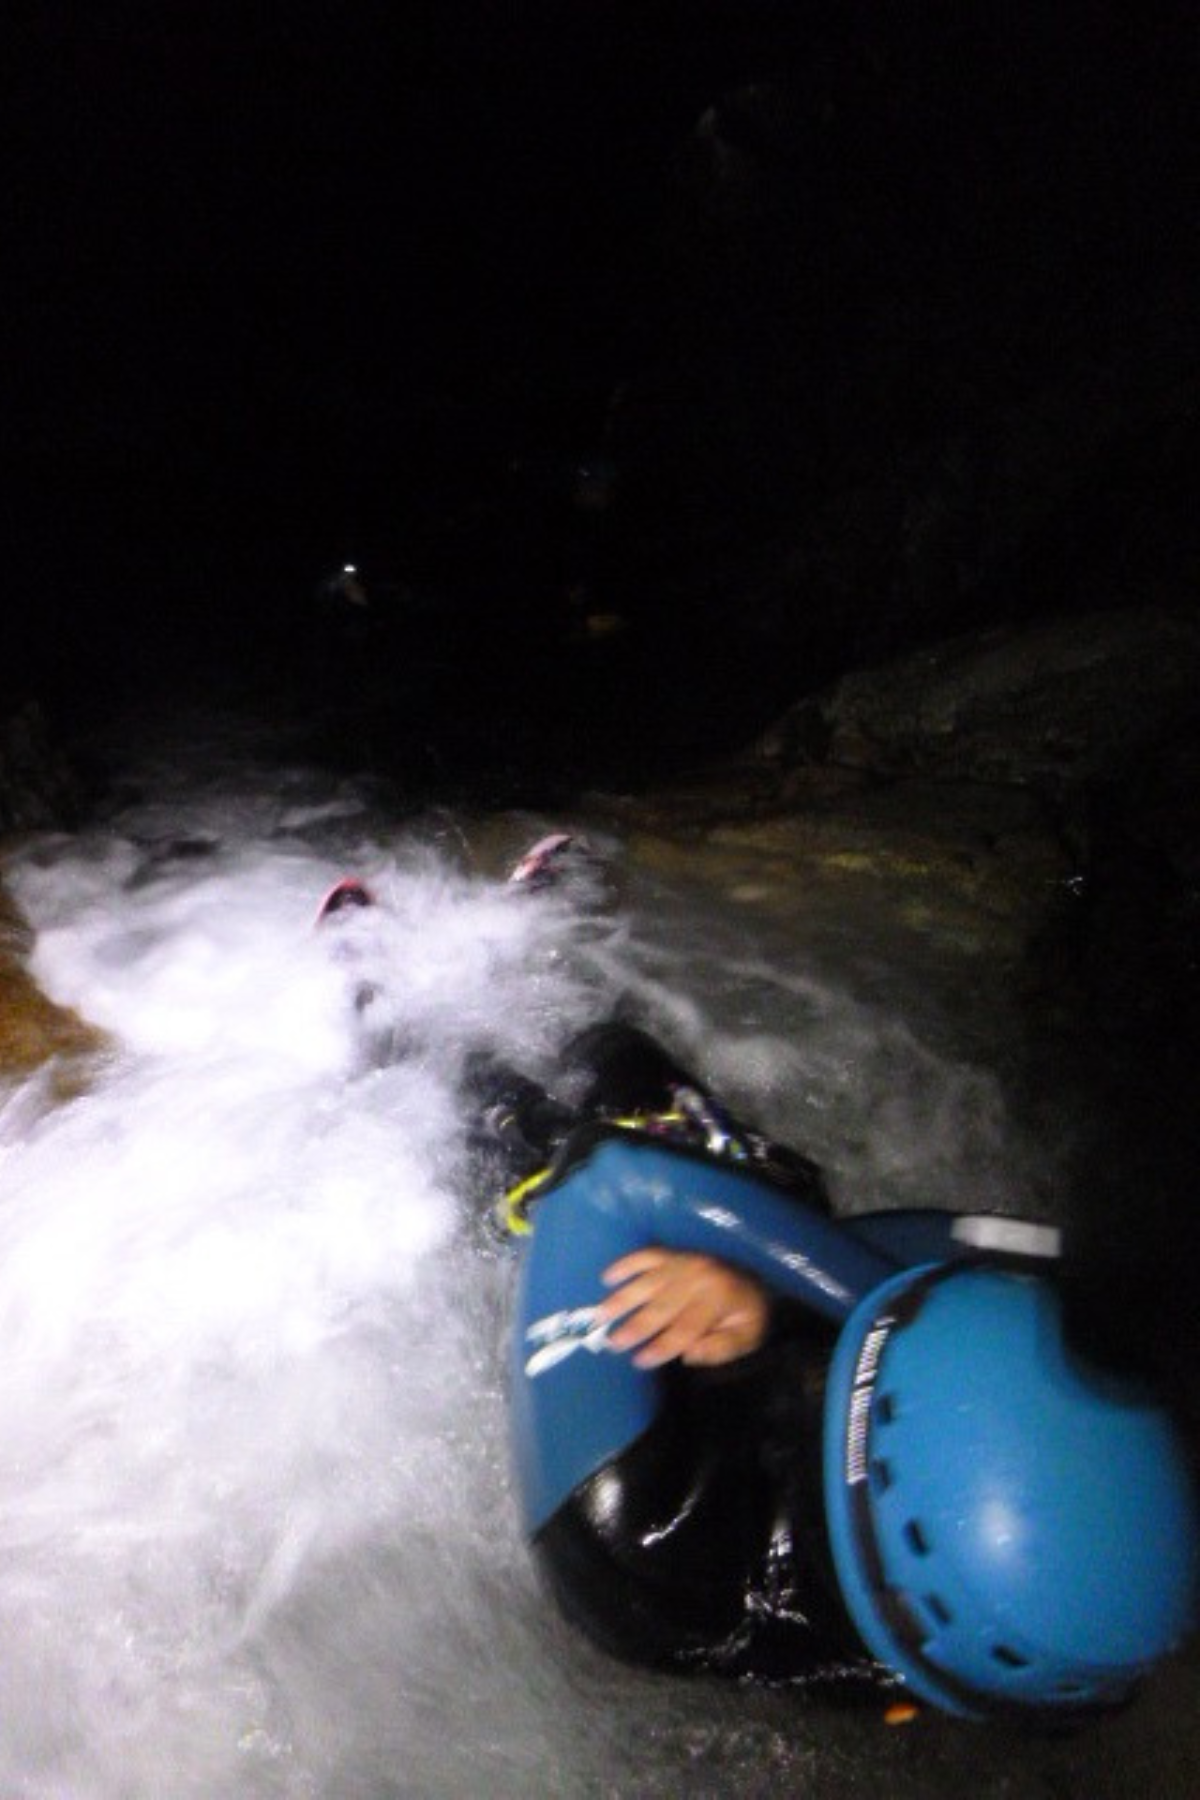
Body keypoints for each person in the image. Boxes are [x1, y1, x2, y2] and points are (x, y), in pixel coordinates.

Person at [486, 1026, 1200, 1723]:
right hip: (856, 1474)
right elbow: (1002, 1261)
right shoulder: (1072, 1641)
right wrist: (773, 1309)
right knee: (629, 1072)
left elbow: (606, 1182)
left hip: (657, 1433)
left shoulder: (635, 1530)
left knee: (581, 1087)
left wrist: (780, 1293)